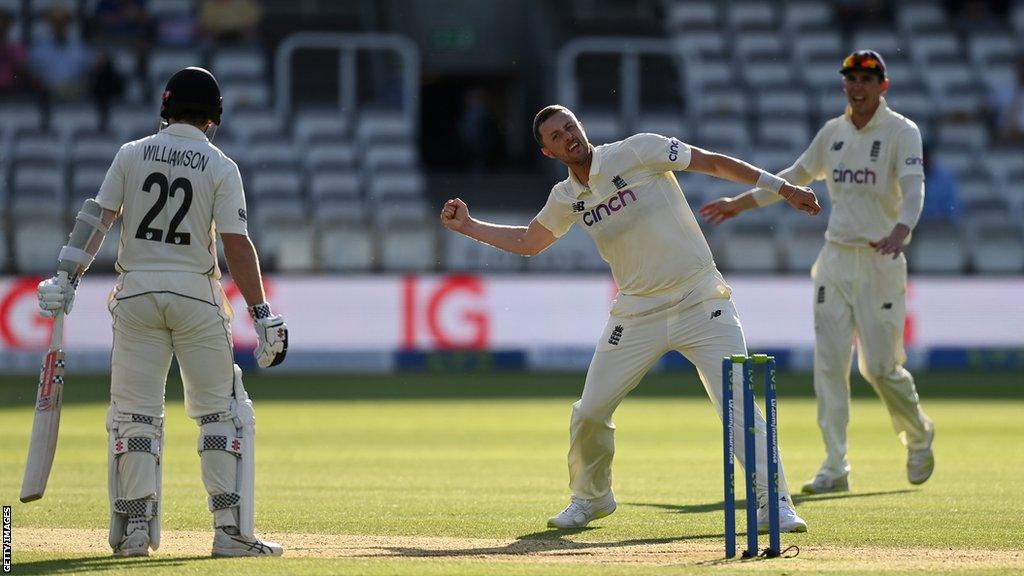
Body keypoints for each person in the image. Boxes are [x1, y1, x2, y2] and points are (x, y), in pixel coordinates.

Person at [440, 104, 821, 531]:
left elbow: (713, 162)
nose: (569, 136)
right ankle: (591, 498)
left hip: (702, 300)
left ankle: (776, 503)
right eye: (556, 136)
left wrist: (783, 187)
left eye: (571, 126)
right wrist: (470, 225)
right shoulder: (565, 198)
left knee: (737, 405)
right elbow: (531, 242)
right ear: (548, 153)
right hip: (637, 314)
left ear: (582, 127)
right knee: (589, 412)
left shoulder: (639, 150)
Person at [36, 67, 289, 557]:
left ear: (165, 108)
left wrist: (67, 277)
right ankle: (230, 531)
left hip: (136, 297)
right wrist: (262, 313)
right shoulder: (220, 165)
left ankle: (134, 533)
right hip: (196, 297)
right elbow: (236, 245)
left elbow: (98, 219)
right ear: (214, 117)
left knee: (134, 416)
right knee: (221, 413)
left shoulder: (131, 154)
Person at [699, 50, 936, 494]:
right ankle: (835, 465)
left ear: (882, 86)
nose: (857, 87)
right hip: (835, 259)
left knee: (881, 369)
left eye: (866, 80)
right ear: (844, 85)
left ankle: (919, 436)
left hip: (882, 259)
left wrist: (903, 228)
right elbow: (795, 177)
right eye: (850, 79)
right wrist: (740, 202)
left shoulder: (902, 132)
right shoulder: (834, 133)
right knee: (829, 363)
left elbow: (913, 187)